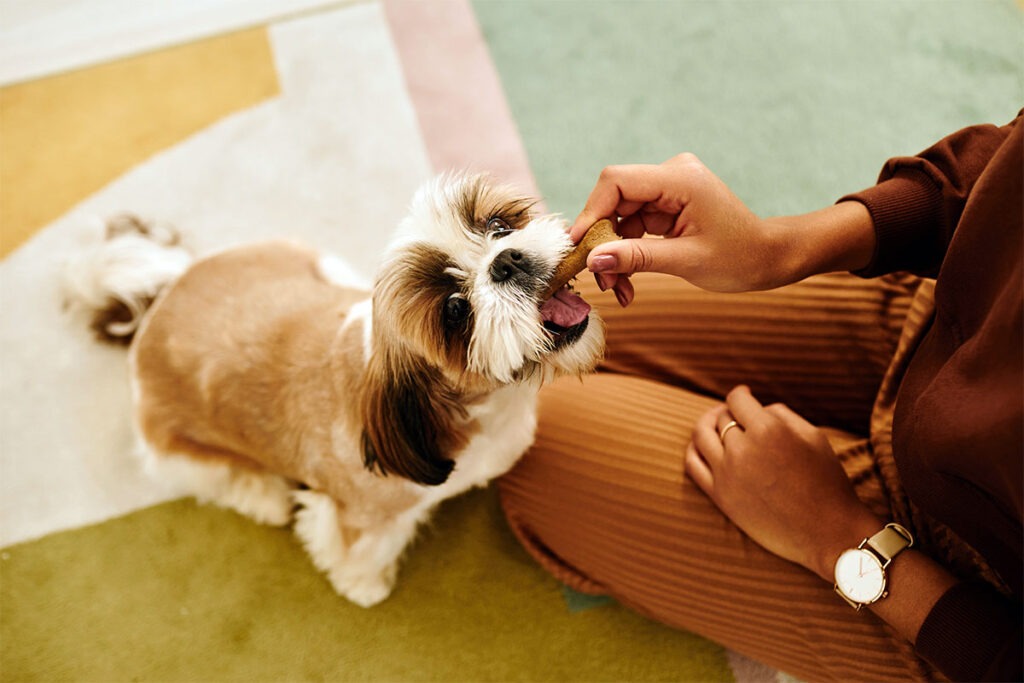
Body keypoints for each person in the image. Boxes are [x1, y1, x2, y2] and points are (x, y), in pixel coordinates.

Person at [498, 112, 1022, 682]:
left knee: (528, 437)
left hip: (972, 598)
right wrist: (778, 249)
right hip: (953, 323)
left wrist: (839, 539)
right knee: (560, 342)